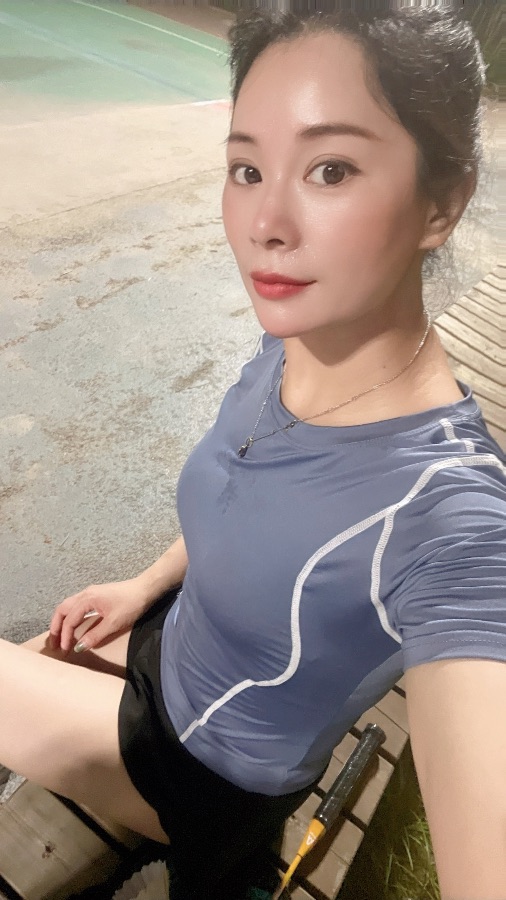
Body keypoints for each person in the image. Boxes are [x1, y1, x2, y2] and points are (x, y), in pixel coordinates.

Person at [1, 6, 505, 900]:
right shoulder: (292, 343)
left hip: (205, 768)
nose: (264, 221)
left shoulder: (448, 513)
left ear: (443, 202)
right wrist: (145, 585)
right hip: (173, 641)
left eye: (330, 169)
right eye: (246, 168)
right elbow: (251, 502)